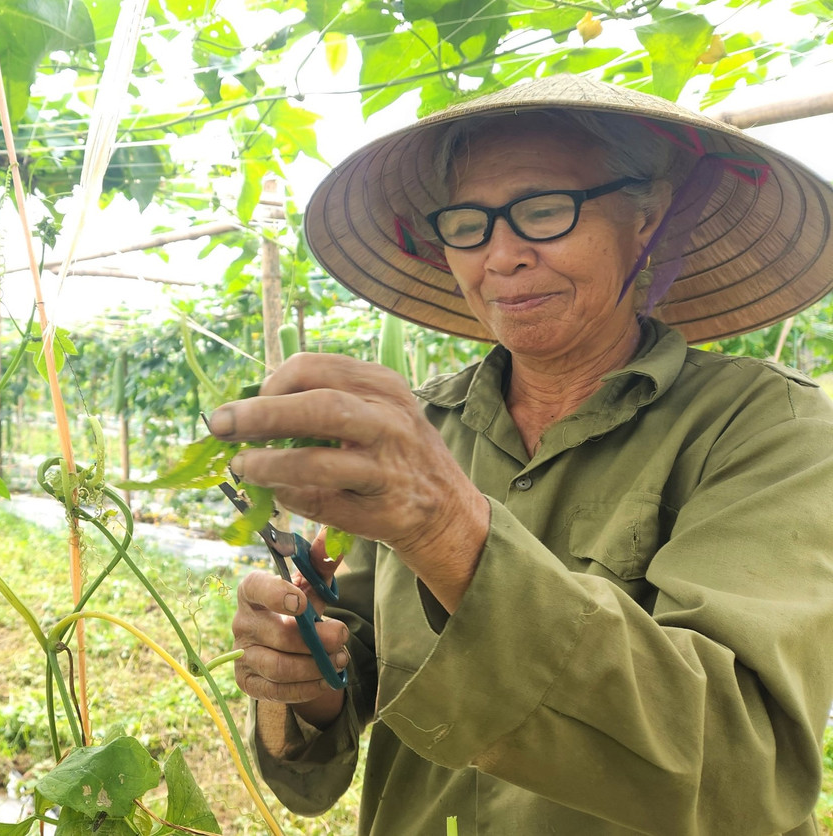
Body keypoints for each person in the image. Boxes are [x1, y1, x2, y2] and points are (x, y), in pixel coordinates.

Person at [205, 74, 833, 835]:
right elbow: (349, 690)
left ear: (647, 219)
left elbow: (745, 765)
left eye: (543, 211)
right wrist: (300, 677)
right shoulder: (424, 430)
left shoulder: (766, 428)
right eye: (468, 224)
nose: (501, 256)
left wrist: (450, 531)